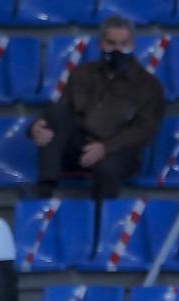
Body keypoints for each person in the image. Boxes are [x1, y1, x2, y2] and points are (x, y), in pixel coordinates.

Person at [28, 16, 164, 202]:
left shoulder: (148, 85)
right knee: (55, 114)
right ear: (100, 44)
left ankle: (101, 222)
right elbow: (62, 109)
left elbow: (144, 130)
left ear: (133, 44)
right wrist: (36, 127)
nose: (117, 49)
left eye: (123, 44)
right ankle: (44, 188)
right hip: (79, 145)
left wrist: (106, 147)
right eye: (111, 43)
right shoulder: (82, 73)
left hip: (119, 152)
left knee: (107, 168)